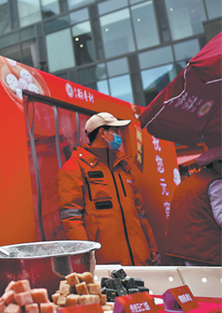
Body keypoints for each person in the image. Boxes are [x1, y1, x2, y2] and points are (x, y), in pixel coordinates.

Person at [58, 112, 159, 265]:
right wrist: (85, 255)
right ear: (102, 132)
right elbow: (71, 217)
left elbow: (140, 213)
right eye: (115, 131)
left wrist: (152, 246)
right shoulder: (74, 168)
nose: (118, 135)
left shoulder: (123, 166)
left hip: (140, 257)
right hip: (105, 260)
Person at [164, 147, 222, 266]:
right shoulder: (216, 183)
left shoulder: (187, 183)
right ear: (216, 164)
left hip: (180, 252)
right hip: (206, 254)